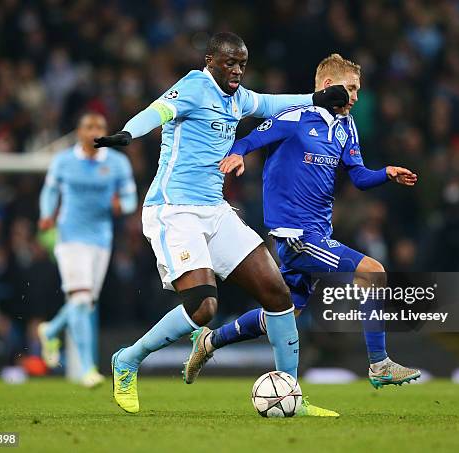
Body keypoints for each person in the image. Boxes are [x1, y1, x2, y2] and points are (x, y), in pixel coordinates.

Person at [94, 32, 348, 415]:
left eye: (242, 64)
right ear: (210, 60)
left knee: (277, 294)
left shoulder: (238, 97)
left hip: (214, 210)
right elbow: (158, 111)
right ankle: (128, 359)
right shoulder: (195, 86)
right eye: (230, 63)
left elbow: (267, 103)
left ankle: (292, 393)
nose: (237, 70)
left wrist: (315, 99)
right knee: (203, 307)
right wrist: (130, 132)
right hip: (174, 209)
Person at [184, 54, 421, 391]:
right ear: (328, 86)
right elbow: (251, 138)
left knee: (283, 313)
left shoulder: (346, 127)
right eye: (351, 89)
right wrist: (237, 154)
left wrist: (386, 173)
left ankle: (208, 342)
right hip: (296, 234)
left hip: (320, 231)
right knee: (373, 271)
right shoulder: (295, 117)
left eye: (358, 90)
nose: (355, 96)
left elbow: (359, 177)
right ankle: (379, 363)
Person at [37, 112, 137, 387]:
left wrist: (122, 206)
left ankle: (51, 330)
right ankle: (86, 369)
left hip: (101, 240)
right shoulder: (64, 161)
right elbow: (50, 192)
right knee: (81, 300)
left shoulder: (117, 163)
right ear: (79, 132)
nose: (95, 130)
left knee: (85, 302)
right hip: (69, 236)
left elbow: (130, 199)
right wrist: (47, 214)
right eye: (89, 126)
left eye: (100, 127)